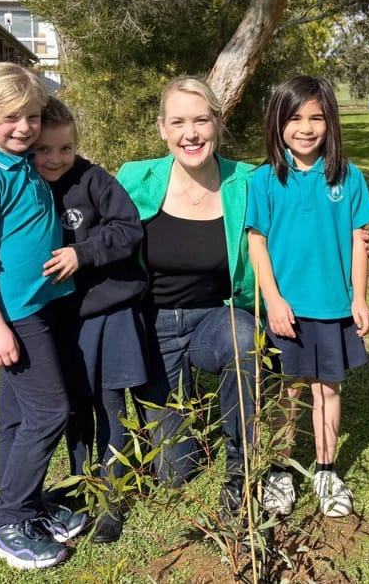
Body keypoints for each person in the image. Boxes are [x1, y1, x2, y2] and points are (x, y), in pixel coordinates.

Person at [0, 63, 86, 570]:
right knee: (50, 412)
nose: (25, 127)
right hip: (14, 317)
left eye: (31, 116)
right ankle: (7, 522)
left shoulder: (21, 162)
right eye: (12, 118)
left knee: (17, 417)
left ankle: (25, 505)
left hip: (36, 307)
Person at [115, 76, 261, 517]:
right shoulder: (134, 178)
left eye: (201, 120)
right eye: (178, 122)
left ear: (218, 123)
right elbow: (79, 219)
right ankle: (185, 417)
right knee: (176, 470)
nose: (190, 133)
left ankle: (242, 468)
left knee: (242, 338)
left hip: (214, 319)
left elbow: (297, 223)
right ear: (162, 128)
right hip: (154, 324)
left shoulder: (247, 181)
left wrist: (349, 241)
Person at [246, 75, 369, 518]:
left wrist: (359, 298)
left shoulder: (348, 176)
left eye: (317, 117)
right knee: (288, 391)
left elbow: (361, 239)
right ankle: (279, 471)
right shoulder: (263, 180)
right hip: (288, 311)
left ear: (330, 122)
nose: (306, 127)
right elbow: (257, 244)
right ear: (278, 122)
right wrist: (274, 301)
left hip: (333, 307)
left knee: (328, 390)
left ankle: (325, 470)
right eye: (295, 117)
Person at [31, 97, 149, 544]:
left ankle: (111, 495)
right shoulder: (25, 182)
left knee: (109, 405)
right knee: (74, 409)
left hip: (107, 314)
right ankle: (82, 486)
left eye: (65, 148)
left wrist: (84, 253)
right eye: (44, 149)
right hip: (57, 319)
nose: (55, 159)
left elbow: (128, 229)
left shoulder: (95, 180)